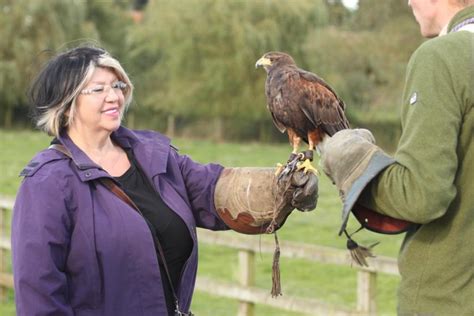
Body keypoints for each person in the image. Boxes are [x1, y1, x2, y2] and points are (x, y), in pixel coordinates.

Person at [11, 46, 317, 316]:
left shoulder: (153, 155)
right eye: (98, 89)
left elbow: (213, 190)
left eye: (117, 85)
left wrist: (282, 187)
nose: (114, 96)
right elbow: (39, 297)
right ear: (67, 103)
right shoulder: (47, 182)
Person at [320, 1, 473, 314]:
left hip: (448, 299)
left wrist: (355, 166)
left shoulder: (442, 57)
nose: (408, 2)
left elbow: (423, 194)